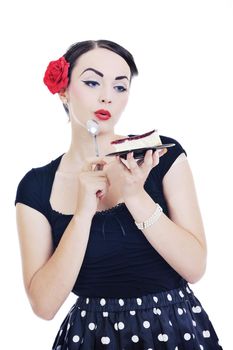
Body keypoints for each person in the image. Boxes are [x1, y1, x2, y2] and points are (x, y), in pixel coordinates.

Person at [15, 39, 222, 349]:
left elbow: (194, 267)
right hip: (90, 336)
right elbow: (44, 306)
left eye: (120, 87)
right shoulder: (36, 186)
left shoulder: (161, 156)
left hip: (174, 330)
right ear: (63, 90)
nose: (106, 97)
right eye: (92, 82)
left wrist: (136, 196)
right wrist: (83, 212)